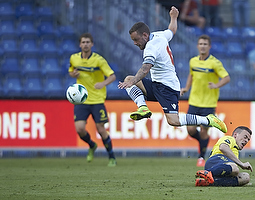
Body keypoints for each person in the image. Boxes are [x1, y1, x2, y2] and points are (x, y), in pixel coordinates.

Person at [118, 7, 227, 135]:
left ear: (145, 35)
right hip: (157, 84)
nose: (135, 43)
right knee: (128, 79)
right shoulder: (159, 35)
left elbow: (145, 68)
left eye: (136, 40)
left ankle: (208, 120)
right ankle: (142, 108)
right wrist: (173, 17)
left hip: (167, 87)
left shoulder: (151, 47)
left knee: (173, 121)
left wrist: (134, 82)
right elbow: (172, 30)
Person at [180, 34, 230, 167]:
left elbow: (226, 78)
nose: (202, 46)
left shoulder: (215, 63)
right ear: (197, 46)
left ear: (209, 46)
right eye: (200, 44)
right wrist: (186, 88)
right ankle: (203, 142)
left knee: (203, 131)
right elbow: (191, 75)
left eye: (205, 44)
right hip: (194, 101)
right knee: (190, 130)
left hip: (208, 103)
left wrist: (216, 85)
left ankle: (201, 156)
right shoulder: (193, 61)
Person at [69, 33, 117, 167]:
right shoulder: (74, 58)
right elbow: (71, 71)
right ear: (80, 44)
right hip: (81, 100)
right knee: (79, 129)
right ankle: (92, 145)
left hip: (97, 99)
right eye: (83, 42)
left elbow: (112, 76)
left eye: (87, 42)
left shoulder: (98, 60)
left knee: (101, 129)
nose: (85, 44)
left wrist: (103, 83)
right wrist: (74, 74)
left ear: (92, 44)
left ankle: (112, 157)